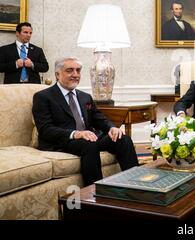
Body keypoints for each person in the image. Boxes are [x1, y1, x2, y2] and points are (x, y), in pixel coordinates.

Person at [32, 57, 139, 186]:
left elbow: (99, 118)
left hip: (88, 139)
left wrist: (112, 128)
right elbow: (45, 130)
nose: (75, 75)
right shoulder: (43, 97)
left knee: (123, 138)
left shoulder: (84, 97)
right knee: (89, 144)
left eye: (78, 70)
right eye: (70, 70)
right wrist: (76, 133)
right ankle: (96, 193)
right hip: (63, 141)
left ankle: (137, 185)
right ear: (57, 74)